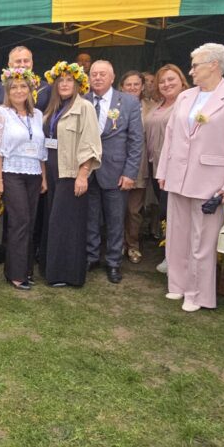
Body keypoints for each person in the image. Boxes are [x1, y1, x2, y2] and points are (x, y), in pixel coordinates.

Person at [156, 44, 224, 311]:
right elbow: (170, 137)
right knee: (177, 235)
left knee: (202, 241)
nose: (191, 71)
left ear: (214, 65)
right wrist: (163, 171)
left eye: (195, 65)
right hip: (178, 177)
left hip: (211, 180)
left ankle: (197, 294)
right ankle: (177, 285)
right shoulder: (186, 96)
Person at [0, 68, 47, 290]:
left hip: (34, 174)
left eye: (23, 86)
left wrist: (44, 177)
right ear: (7, 92)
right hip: (11, 172)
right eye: (14, 87)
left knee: (30, 222)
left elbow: (41, 150)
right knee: (19, 221)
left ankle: (26, 269)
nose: (19, 91)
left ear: (30, 90)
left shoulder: (36, 115)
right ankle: (15, 274)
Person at [40, 62, 102, 287]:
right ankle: (51, 269)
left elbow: (90, 142)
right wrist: (44, 177)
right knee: (53, 222)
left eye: (69, 81)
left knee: (67, 225)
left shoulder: (84, 107)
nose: (64, 85)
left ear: (78, 85)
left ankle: (67, 274)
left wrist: (83, 175)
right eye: (61, 81)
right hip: (53, 173)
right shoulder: (53, 108)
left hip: (70, 175)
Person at [85, 60, 143, 283]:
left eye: (103, 74)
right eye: (94, 74)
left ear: (112, 77)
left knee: (115, 220)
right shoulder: (82, 101)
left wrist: (130, 173)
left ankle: (113, 262)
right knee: (90, 218)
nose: (98, 78)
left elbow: (136, 140)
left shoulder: (128, 102)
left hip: (117, 171)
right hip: (88, 171)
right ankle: (91, 257)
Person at [144, 64, 189, 274]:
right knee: (165, 212)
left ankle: (175, 258)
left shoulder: (186, 104)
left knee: (172, 212)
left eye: (171, 79)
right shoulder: (158, 105)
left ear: (181, 81)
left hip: (175, 168)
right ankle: (169, 252)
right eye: (162, 81)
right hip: (155, 166)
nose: (166, 84)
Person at [119, 71, 154, 263]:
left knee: (133, 210)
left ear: (142, 87)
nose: (132, 88)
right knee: (116, 208)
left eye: (136, 84)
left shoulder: (152, 107)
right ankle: (116, 244)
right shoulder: (114, 105)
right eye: (128, 84)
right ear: (122, 87)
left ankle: (132, 245)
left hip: (139, 164)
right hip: (115, 163)